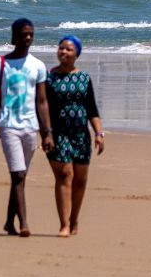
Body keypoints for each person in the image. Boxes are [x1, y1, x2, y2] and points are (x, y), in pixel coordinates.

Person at [0, 18, 49, 237]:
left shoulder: (38, 66)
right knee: (17, 175)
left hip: (31, 128)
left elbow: (42, 102)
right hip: (8, 127)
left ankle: (9, 222)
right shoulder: (0, 64)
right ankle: (24, 223)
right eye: (24, 34)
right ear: (14, 37)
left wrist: (47, 133)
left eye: (31, 34)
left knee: (21, 176)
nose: (28, 38)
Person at [43, 36, 105, 237]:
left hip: (81, 135)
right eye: (61, 48)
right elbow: (43, 107)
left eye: (68, 49)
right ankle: (64, 224)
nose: (63, 52)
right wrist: (45, 133)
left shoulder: (84, 78)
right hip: (58, 134)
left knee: (80, 180)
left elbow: (92, 109)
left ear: (76, 54)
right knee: (64, 175)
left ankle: (74, 219)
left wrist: (99, 133)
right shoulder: (49, 78)